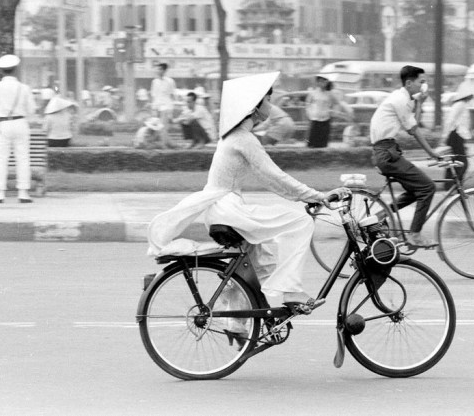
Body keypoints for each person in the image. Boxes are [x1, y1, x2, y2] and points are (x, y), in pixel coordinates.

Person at [148, 71, 349, 315]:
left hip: (221, 211)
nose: (271, 106)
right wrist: (318, 196)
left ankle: (236, 324)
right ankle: (291, 293)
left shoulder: (232, 137)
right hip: (228, 211)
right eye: (268, 101)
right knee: (300, 222)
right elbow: (275, 177)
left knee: (260, 265)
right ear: (254, 107)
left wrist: (306, 195)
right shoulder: (244, 139)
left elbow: (271, 180)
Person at [369, 65, 440, 247]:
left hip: (386, 152)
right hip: (387, 153)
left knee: (417, 190)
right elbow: (414, 130)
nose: (424, 86)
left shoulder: (402, 98)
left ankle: (380, 215)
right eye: (421, 82)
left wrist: (420, 103)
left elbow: (413, 123)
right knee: (428, 187)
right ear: (409, 83)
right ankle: (414, 235)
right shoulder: (400, 100)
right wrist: (432, 153)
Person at [0, 54, 37, 204]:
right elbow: (32, 109)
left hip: (3, 123)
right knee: (22, 158)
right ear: (15, 70)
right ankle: (23, 193)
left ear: (1, 71)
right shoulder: (24, 88)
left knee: (0, 158)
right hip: (20, 122)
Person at [441, 83, 474, 190]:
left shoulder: (463, 105)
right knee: (461, 162)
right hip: (455, 135)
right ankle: (453, 185)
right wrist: (445, 136)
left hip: (458, 136)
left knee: (456, 162)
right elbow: (450, 120)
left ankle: (453, 185)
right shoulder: (459, 105)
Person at [304, 74, 351, 148]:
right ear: (317, 82)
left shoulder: (330, 94)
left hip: (325, 121)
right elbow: (307, 104)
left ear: (327, 82)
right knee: (311, 142)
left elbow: (337, 103)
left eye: (323, 81)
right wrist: (309, 113)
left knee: (323, 142)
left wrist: (334, 112)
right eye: (319, 81)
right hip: (314, 120)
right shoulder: (313, 93)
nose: (321, 83)